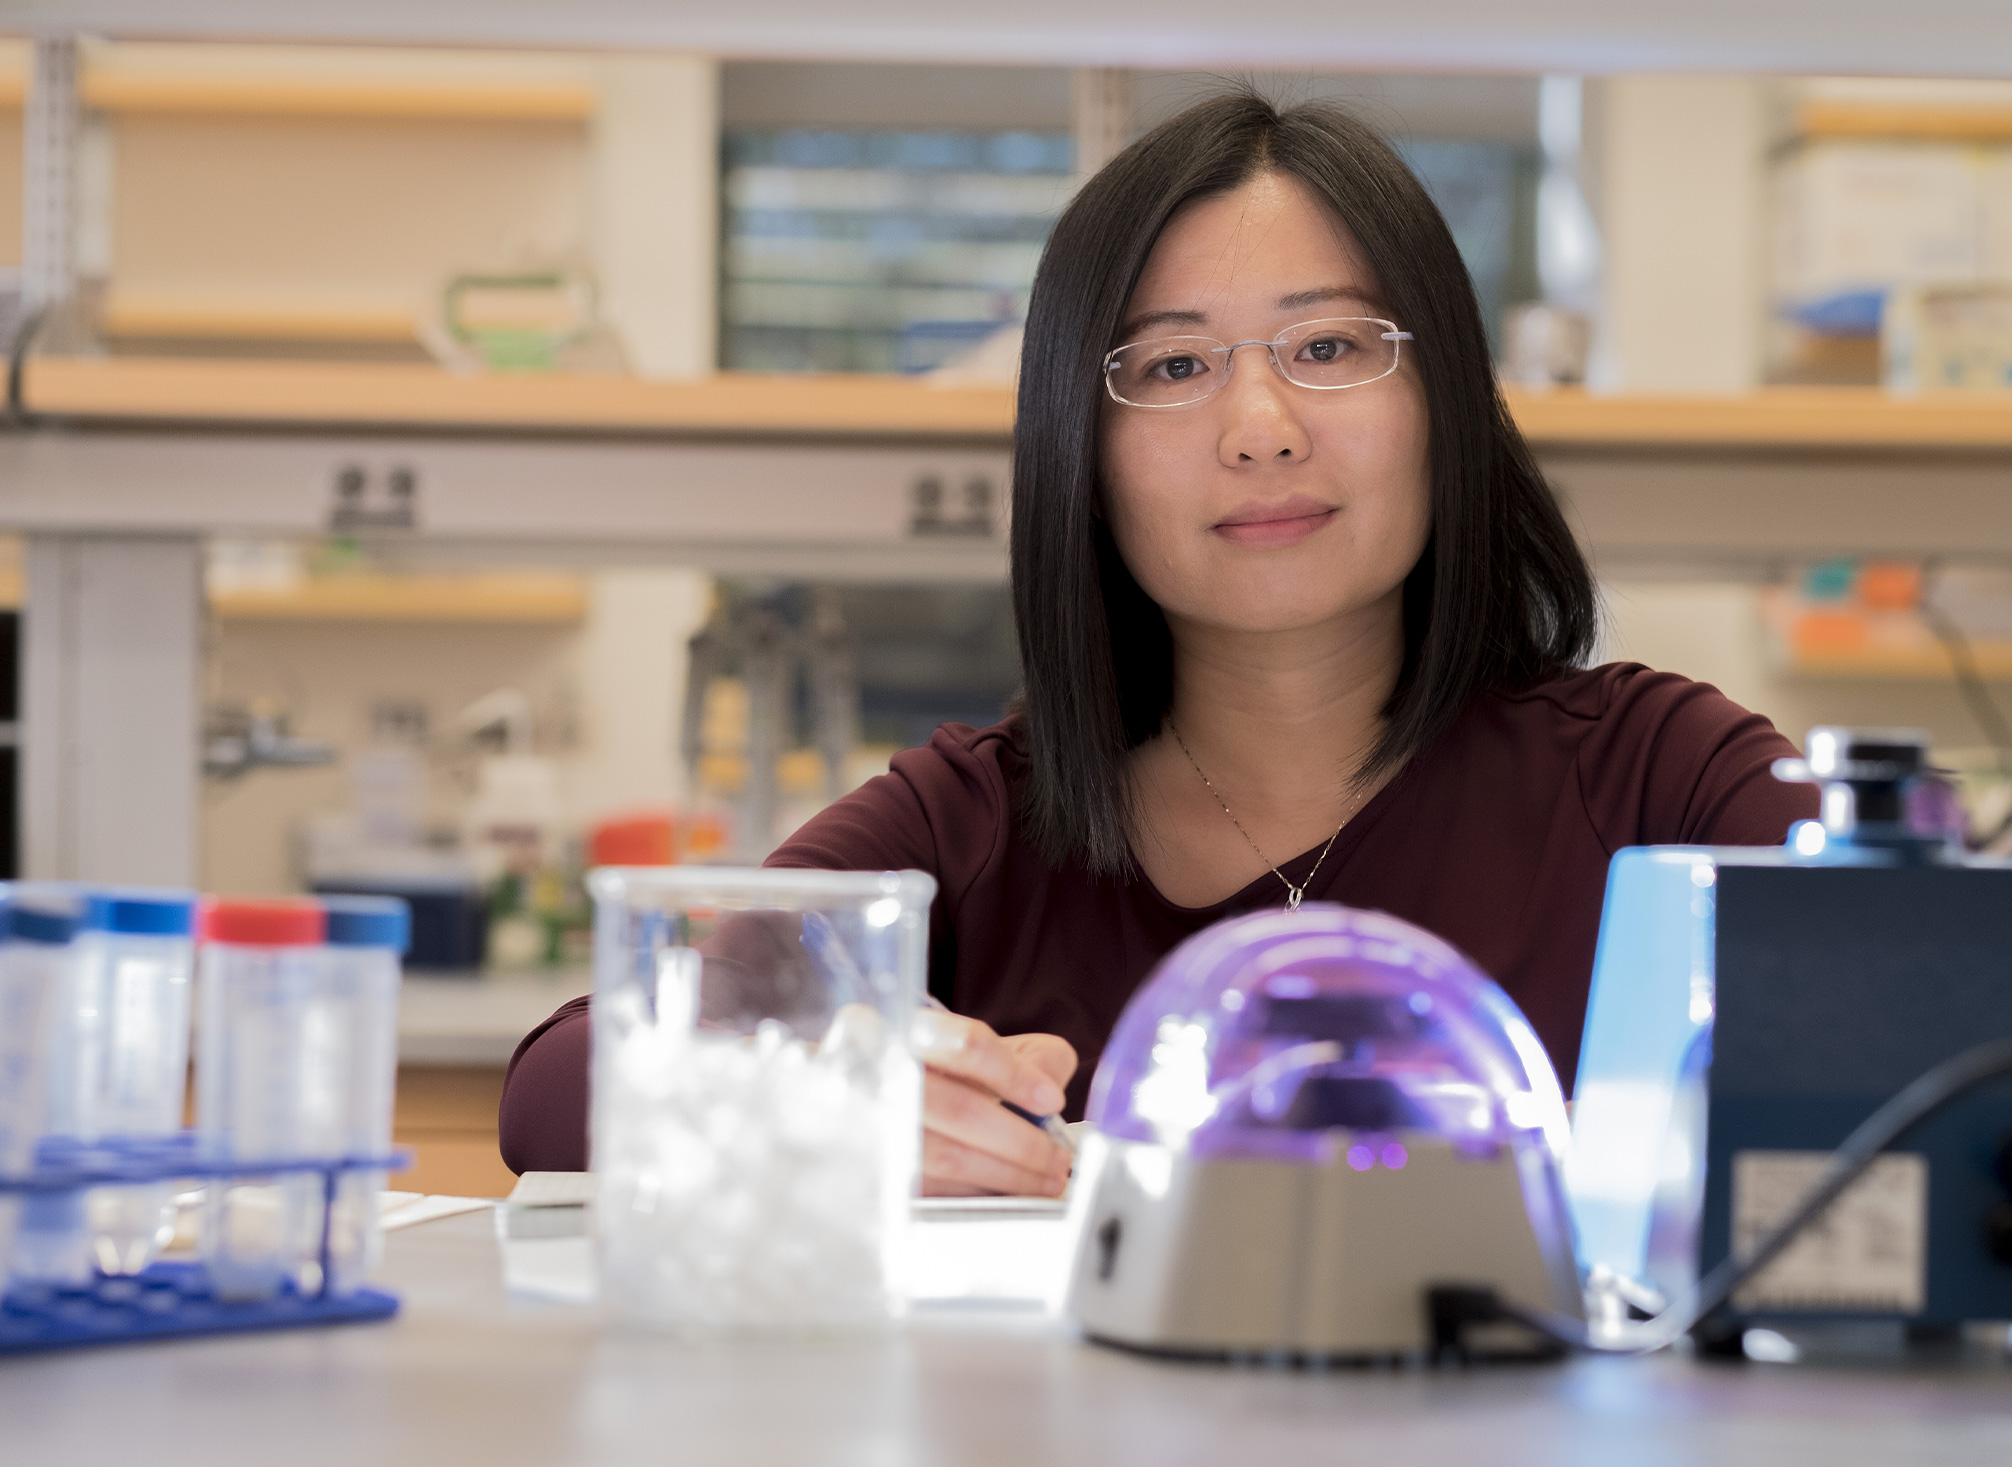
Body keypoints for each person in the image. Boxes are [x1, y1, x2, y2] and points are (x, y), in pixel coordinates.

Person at [499, 87, 1815, 1193]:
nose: (1262, 425)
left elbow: (1932, 1007)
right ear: (1085, 449)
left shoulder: (1661, 781)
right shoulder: (971, 827)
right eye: (1174, 367)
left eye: (1332, 344)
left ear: (1450, 402)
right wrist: (815, 1104)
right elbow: (560, 1082)